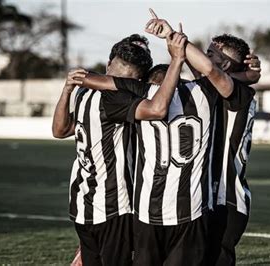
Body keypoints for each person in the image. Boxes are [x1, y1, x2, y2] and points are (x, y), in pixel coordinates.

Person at [81, 10, 256, 265]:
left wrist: (176, 43)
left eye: (210, 54)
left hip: (218, 199)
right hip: (203, 202)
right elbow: (216, 74)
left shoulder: (211, 92)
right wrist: (178, 49)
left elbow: (121, 84)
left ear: (226, 65)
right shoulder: (218, 93)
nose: (203, 58)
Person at [53, 32, 186, 266]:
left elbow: (60, 130)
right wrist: (177, 59)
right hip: (113, 206)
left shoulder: (85, 92)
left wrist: (66, 90)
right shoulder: (115, 98)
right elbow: (157, 109)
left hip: (83, 203)